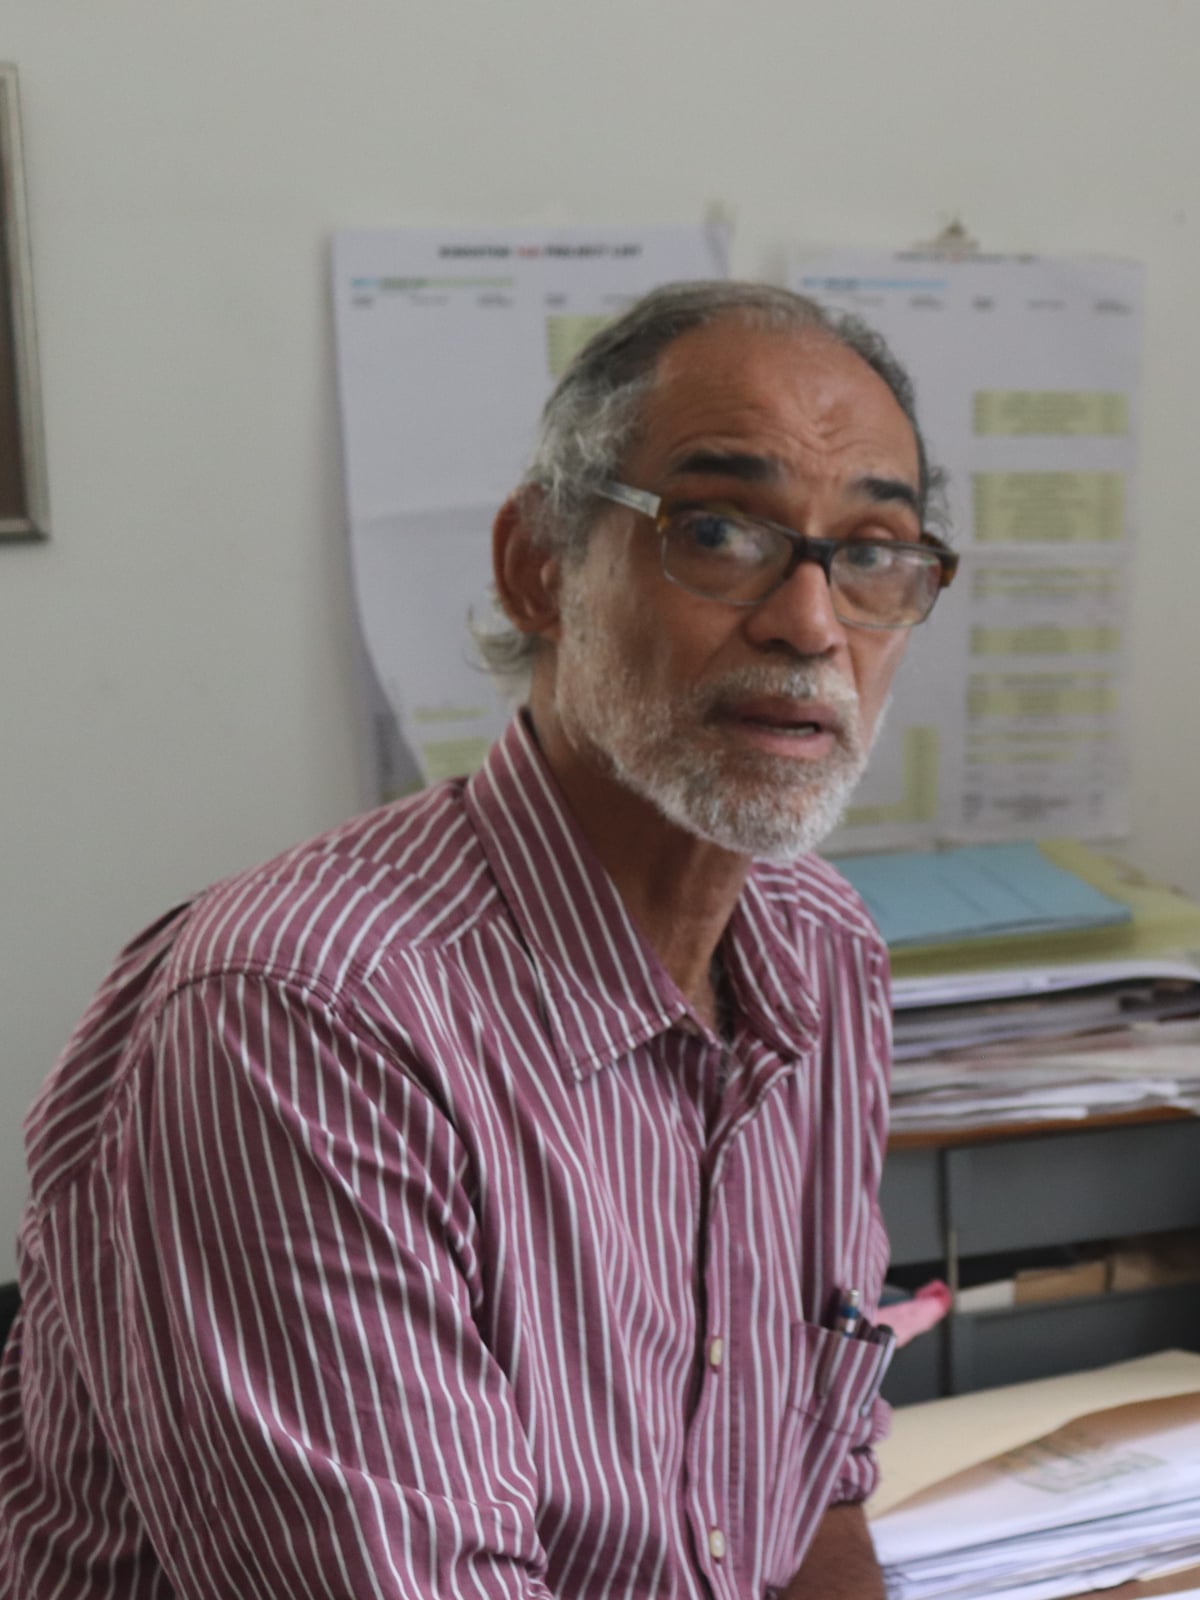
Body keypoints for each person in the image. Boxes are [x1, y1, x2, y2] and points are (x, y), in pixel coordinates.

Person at [0, 280, 957, 1599]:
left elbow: (811, 1502)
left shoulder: (822, 953)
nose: (810, 627)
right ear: (540, 567)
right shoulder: (300, 1016)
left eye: (872, 555)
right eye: (720, 531)